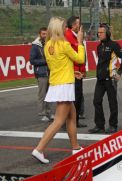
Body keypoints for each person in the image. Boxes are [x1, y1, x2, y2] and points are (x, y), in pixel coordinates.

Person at [31, 17, 85, 164]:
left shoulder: (48, 44)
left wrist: (72, 73)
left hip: (57, 82)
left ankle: (75, 147)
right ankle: (39, 149)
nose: (65, 29)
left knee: (71, 116)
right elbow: (80, 59)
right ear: (58, 29)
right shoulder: (63, 44)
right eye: (63, 27)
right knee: (58, 121)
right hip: (64, 85)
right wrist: (80, 42)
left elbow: (58, 64)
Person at [88, 23, 122, 134]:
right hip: (100, 79)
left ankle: (113, 125)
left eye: (101, 32)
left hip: (111, 79)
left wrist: (119, 73)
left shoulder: (114, 45)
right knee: (96, 101)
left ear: (107, 33)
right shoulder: (98, 46)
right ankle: (99, 125)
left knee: (112, 103)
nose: (99, 34)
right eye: (98, 32)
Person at [65, 16, 87, 128]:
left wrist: (83, 70)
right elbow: (76, 54)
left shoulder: (74, 36)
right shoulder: (68, 36)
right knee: (73, 98)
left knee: (78, 97)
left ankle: (75, 120)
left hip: (78, 71)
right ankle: (70, 122)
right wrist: (79, 41)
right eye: (78, 23)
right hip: (73, 72)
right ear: (73, 25)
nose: (80, 26)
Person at [29, 27, 53, 121]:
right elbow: (32, 60)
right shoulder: (35, 46)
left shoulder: (49, 43)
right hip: (41, 73)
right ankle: (42, 113)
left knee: (50, 94)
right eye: (43, 34)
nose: (45, 35)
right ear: (40, 34)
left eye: (46, 34)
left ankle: (49, 113)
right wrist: (45, 61)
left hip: (50, 72)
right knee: (42, 94)